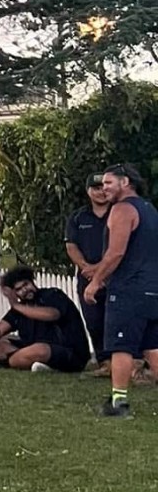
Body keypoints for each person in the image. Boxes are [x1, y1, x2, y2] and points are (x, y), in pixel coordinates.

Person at [86, 163, 158, 418]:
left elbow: (116, 252)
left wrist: (96, 281)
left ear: (125, 182)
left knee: (121, 346)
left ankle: (119, 403)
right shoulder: (150, 209)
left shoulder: (122, 209)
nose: (104, 188)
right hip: (152, 289)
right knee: (152, 346)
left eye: (108, 183)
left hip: (129, 290)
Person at [0, 265, 90, 374]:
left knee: (39, 349)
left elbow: (51, 315)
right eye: (19, 289)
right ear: (14, 293)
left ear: (32, 281)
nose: (25, 290)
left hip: (69, 352)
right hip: (32, 348)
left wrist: (16, 305)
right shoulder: (20, 309)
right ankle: (33, 363)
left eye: (26, 284)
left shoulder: (52, 295)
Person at [65, 175, 111, 369]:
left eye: (103, 187)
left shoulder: (120, 213)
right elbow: (71, 245)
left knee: (115, 321)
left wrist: (102, 270)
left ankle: (121, 362)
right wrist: (86, 267)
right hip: (87, 277)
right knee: (93, 321)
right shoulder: (78, 217)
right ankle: (103, 362)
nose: (100, 192)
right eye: (95, 188)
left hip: (114, 276)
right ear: (88, 191)